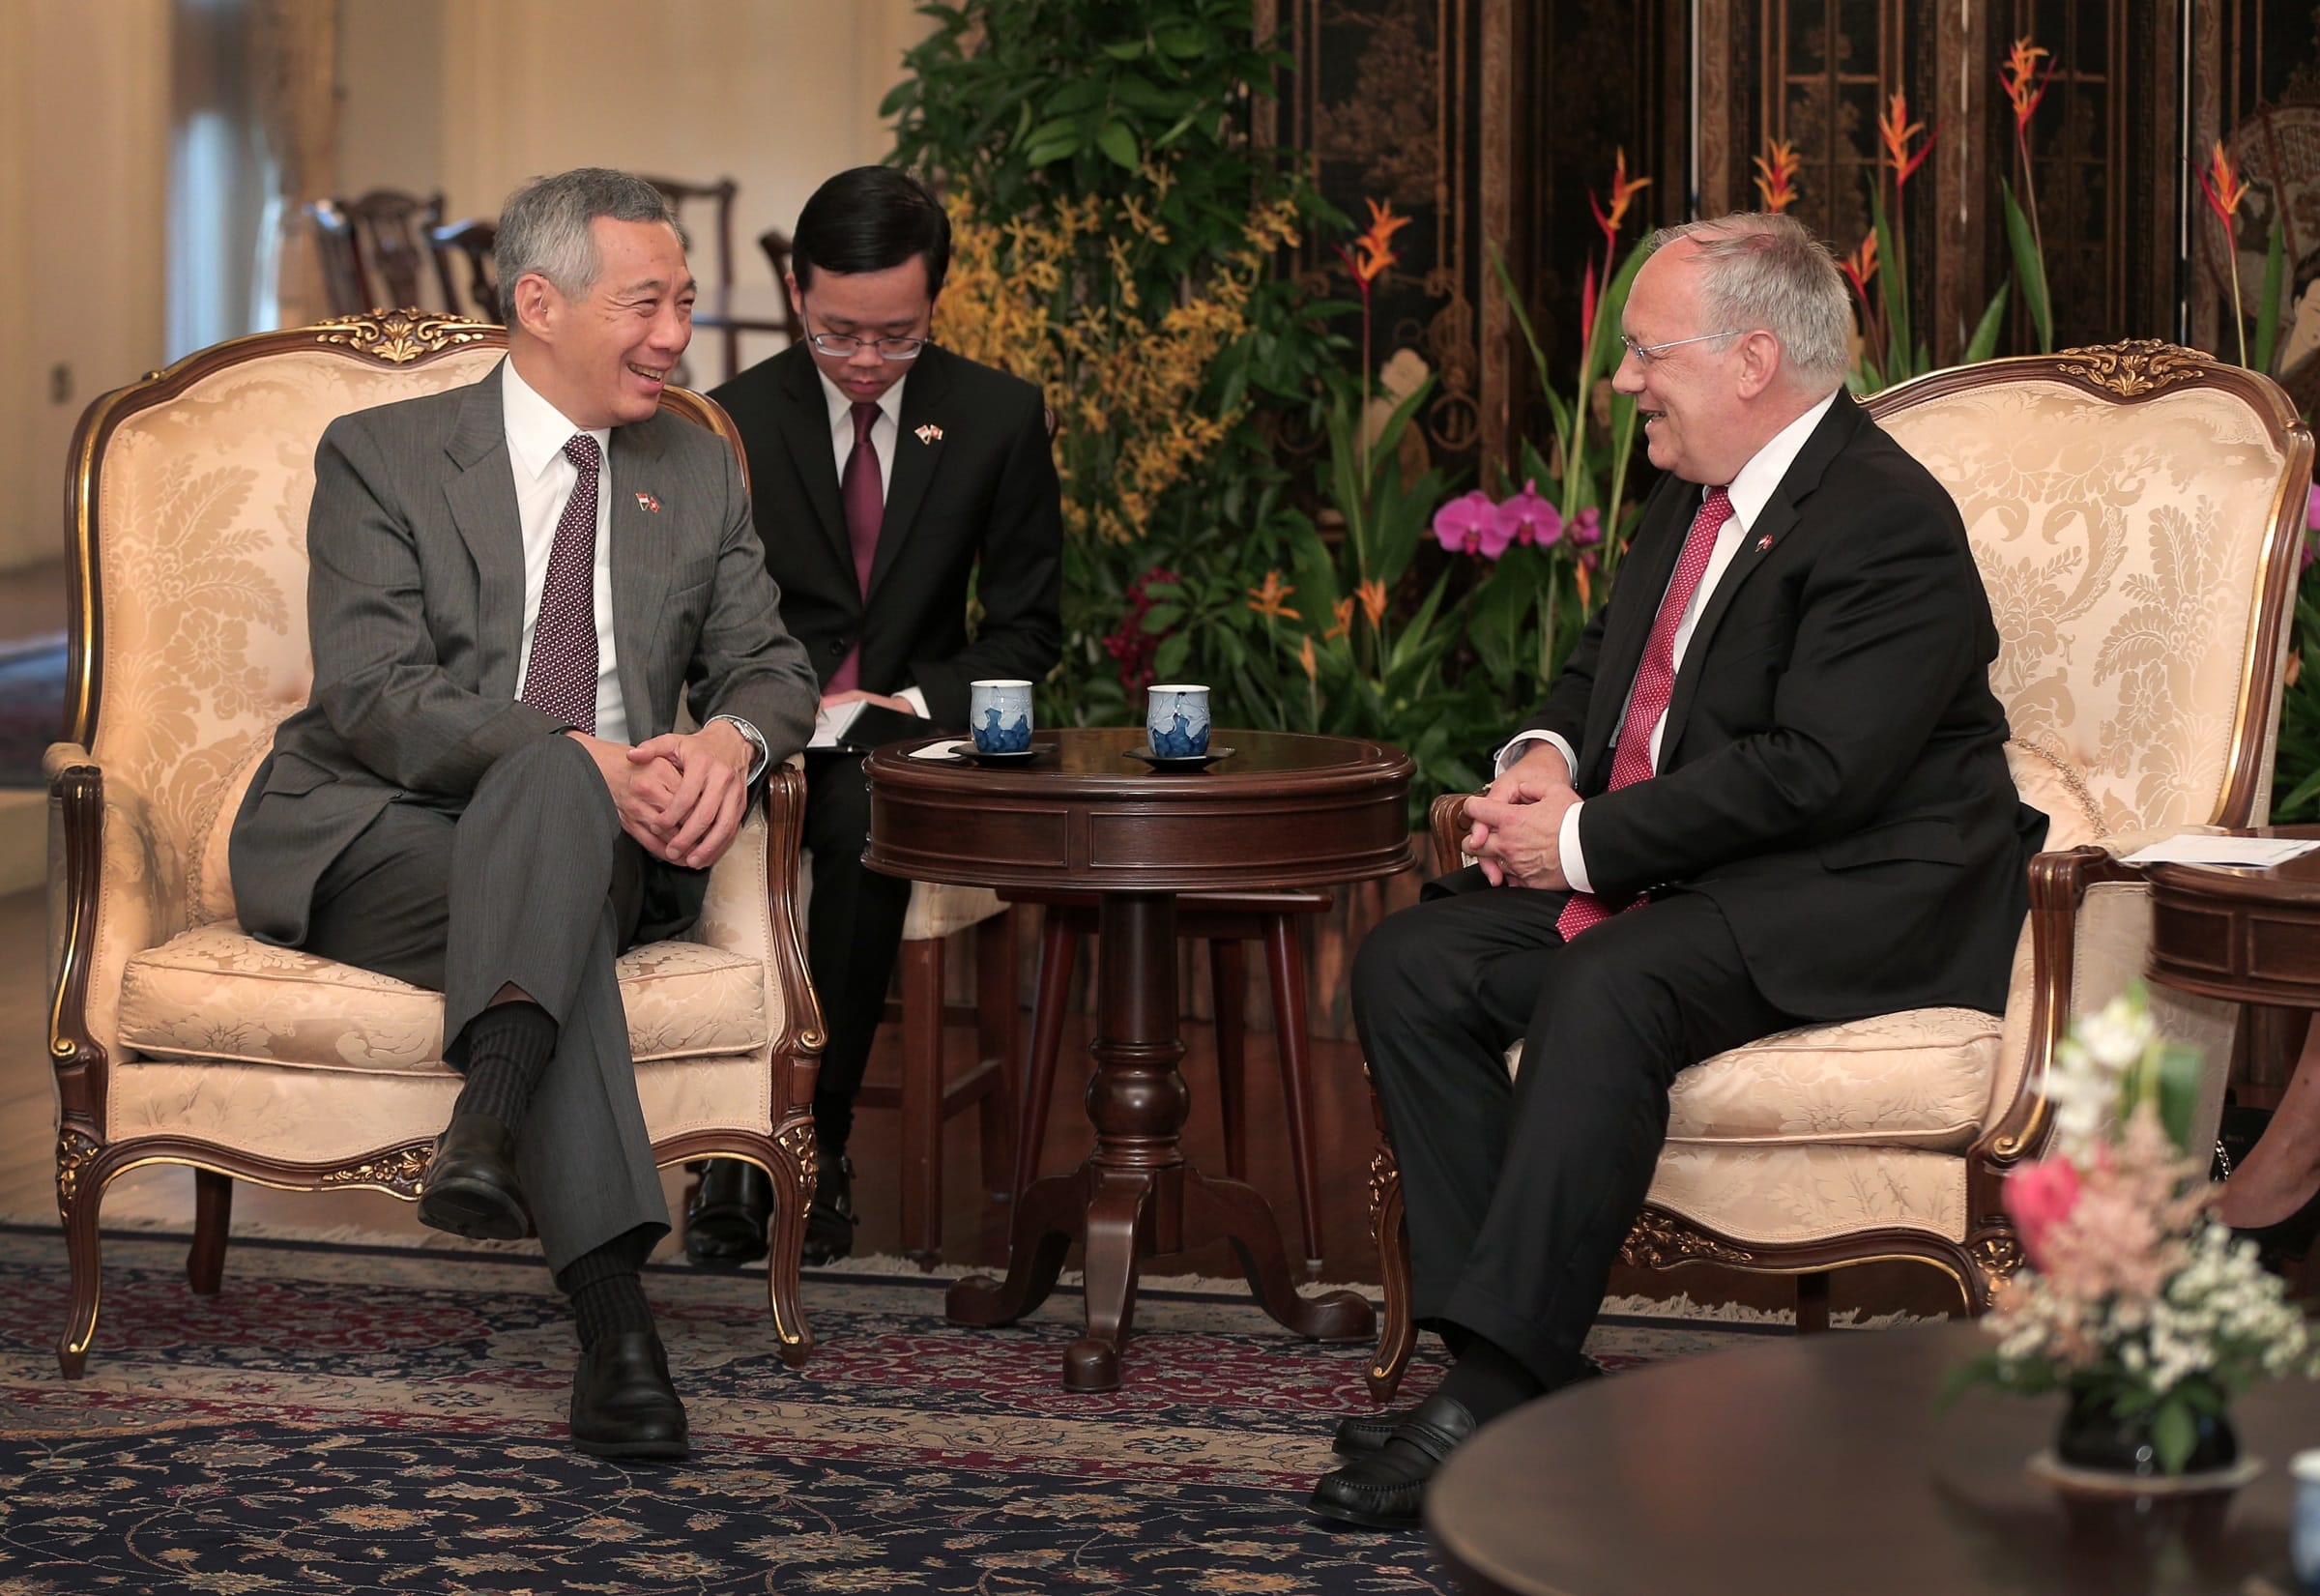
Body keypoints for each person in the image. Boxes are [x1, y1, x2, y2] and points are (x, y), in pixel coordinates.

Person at [1307, 213, 2048, 1531]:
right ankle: (1514, 1375)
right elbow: (1605, 665)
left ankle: (1490, 1396)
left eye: (1648, 352)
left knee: (1612, 983)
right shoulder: (1694, 493)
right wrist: (1543, 760)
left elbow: (1815, 772)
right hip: (1706, 875)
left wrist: (1576, 844)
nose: (1623, 381)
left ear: (1751, 359)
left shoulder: (1887, 522)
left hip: (1856, 889)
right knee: (1414, 961)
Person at [228, 168, 820, 1460]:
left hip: (606, 850)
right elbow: (373, 691)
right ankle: (613, 1331)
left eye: (684, 301)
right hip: (379, 834)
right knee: (553, 784)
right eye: (645, 304)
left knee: (556, 836)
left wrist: (726, 740)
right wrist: (579, 762)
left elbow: (773, 666)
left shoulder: (695, 467)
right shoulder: (383, 455)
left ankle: (495, 1127)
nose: (676, 335)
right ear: (539, 304)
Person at [686, 166, 1063, 1267]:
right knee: (705, 819)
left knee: (858, 823)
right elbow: (688, 617)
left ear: (936, 299)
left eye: (896, 336)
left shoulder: (994, 417)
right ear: (797, 293)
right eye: (838, 332)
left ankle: (815, 1137)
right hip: (758, 718)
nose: (864, 360)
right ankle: (724, 1141)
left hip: (904, 729)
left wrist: (911, 699)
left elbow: (1029, 630)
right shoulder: (729, 420)